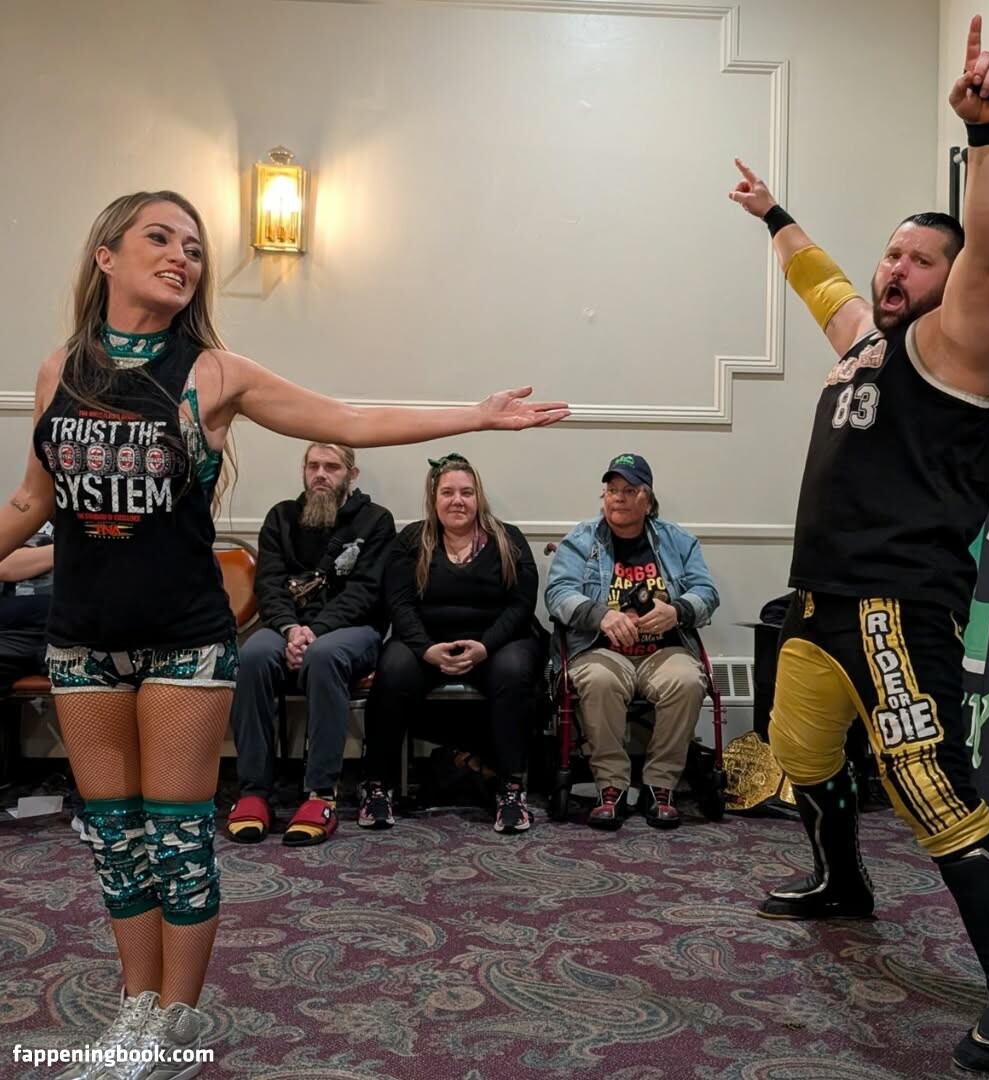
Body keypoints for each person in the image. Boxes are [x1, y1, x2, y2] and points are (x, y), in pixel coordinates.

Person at [0, 189, 567, 1079]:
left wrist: (476, 415)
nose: (182, 257)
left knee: (176, 835)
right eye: (160, 238)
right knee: (115, 837)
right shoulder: (58, 371)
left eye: (194, 247)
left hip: (184, 641)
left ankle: (175, 1021)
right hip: (80, 642)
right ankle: (134, 1010)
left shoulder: (214, 373)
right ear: (105, 255)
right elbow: (31, 502)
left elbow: (348, 421)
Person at [728, 17, 989, 1072]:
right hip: (816, 601)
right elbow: (819, 280)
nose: (896, 267)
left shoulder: (955, 345)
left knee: (934, 794)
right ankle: (841, 881)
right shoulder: (864, 344)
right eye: (894, 251)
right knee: (802, 758)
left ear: (951, 283)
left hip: (895, 607)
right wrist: (775, 215)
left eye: (921, 259)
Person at [360, 452, 545, 834]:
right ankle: (378, 786)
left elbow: (521, 604)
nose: (457, 500)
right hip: (428, 644)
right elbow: (399, 603)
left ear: (479, 497)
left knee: (513, 671)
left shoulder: (508, 539)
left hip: (497, 643)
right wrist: (425, 649)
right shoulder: (412, 540)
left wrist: (486, 647)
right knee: (393, 669)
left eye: (466, 492)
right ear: (434, 498)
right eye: (447, 492)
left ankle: (511, 789)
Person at [225, 442, 395, 847]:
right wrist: (290, 629)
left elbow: (366, 593)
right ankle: (253, 791)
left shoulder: (376, 521)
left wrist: (313, 631)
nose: (320, 474)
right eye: (313, 465)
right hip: (288, 628)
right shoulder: (281, 517)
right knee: (252, 656)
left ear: (351, 475)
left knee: (323, 656)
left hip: (352, 630)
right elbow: (269, 585)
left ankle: (320, 793)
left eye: (331, 467)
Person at [545, 454, 719, 830]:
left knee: (688, 680)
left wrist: (678, 611)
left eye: (629, 490)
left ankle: (661, 786)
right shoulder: (581, 540)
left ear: (648, 500)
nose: (618, 498)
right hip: (600, 650)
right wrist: (600, 615)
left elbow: (707, 592)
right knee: (598, 681)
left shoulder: (677, 541)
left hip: (663, 650)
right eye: (611, 490)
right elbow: (557, 593)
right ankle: (612, 788)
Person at [0, 522, 53, 694]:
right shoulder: (16, 517)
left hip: (74, 630)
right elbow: (5, 564)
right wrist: (73, 548)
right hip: (12, 630)